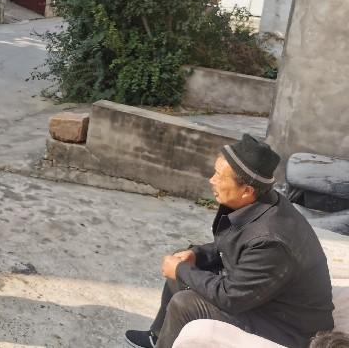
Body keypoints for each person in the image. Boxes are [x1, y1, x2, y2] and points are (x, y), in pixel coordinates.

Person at [125, 134, 334, 348]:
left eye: (219, 176)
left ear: (246, 190)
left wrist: (181, 270)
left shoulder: (271, 241)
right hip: (263, 297)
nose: (211, 180)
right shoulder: (258, 204)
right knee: (183, 263)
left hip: (289, 329)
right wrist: (197, 254)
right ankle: (159, 337)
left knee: (185, 302)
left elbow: (231, 297)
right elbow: (232, 246)